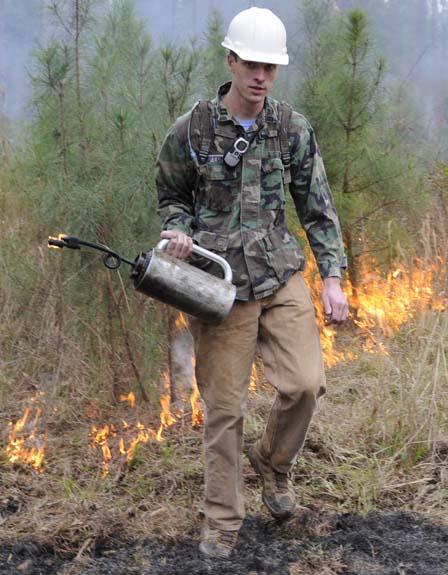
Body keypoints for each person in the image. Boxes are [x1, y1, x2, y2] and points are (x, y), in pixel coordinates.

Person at [154, 6, 348, 560]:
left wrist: (332, 276)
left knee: (305, 385)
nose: (261, 76)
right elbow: (172, 200)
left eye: (271, 67)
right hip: (220, 288)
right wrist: (178, 233)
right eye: (252, 65)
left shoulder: (290, 128)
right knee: (224, 410)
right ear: (231, 61)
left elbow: (318, 207)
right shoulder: (191, 129)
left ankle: (272, 463)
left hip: (280, 274)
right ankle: (222, 523)